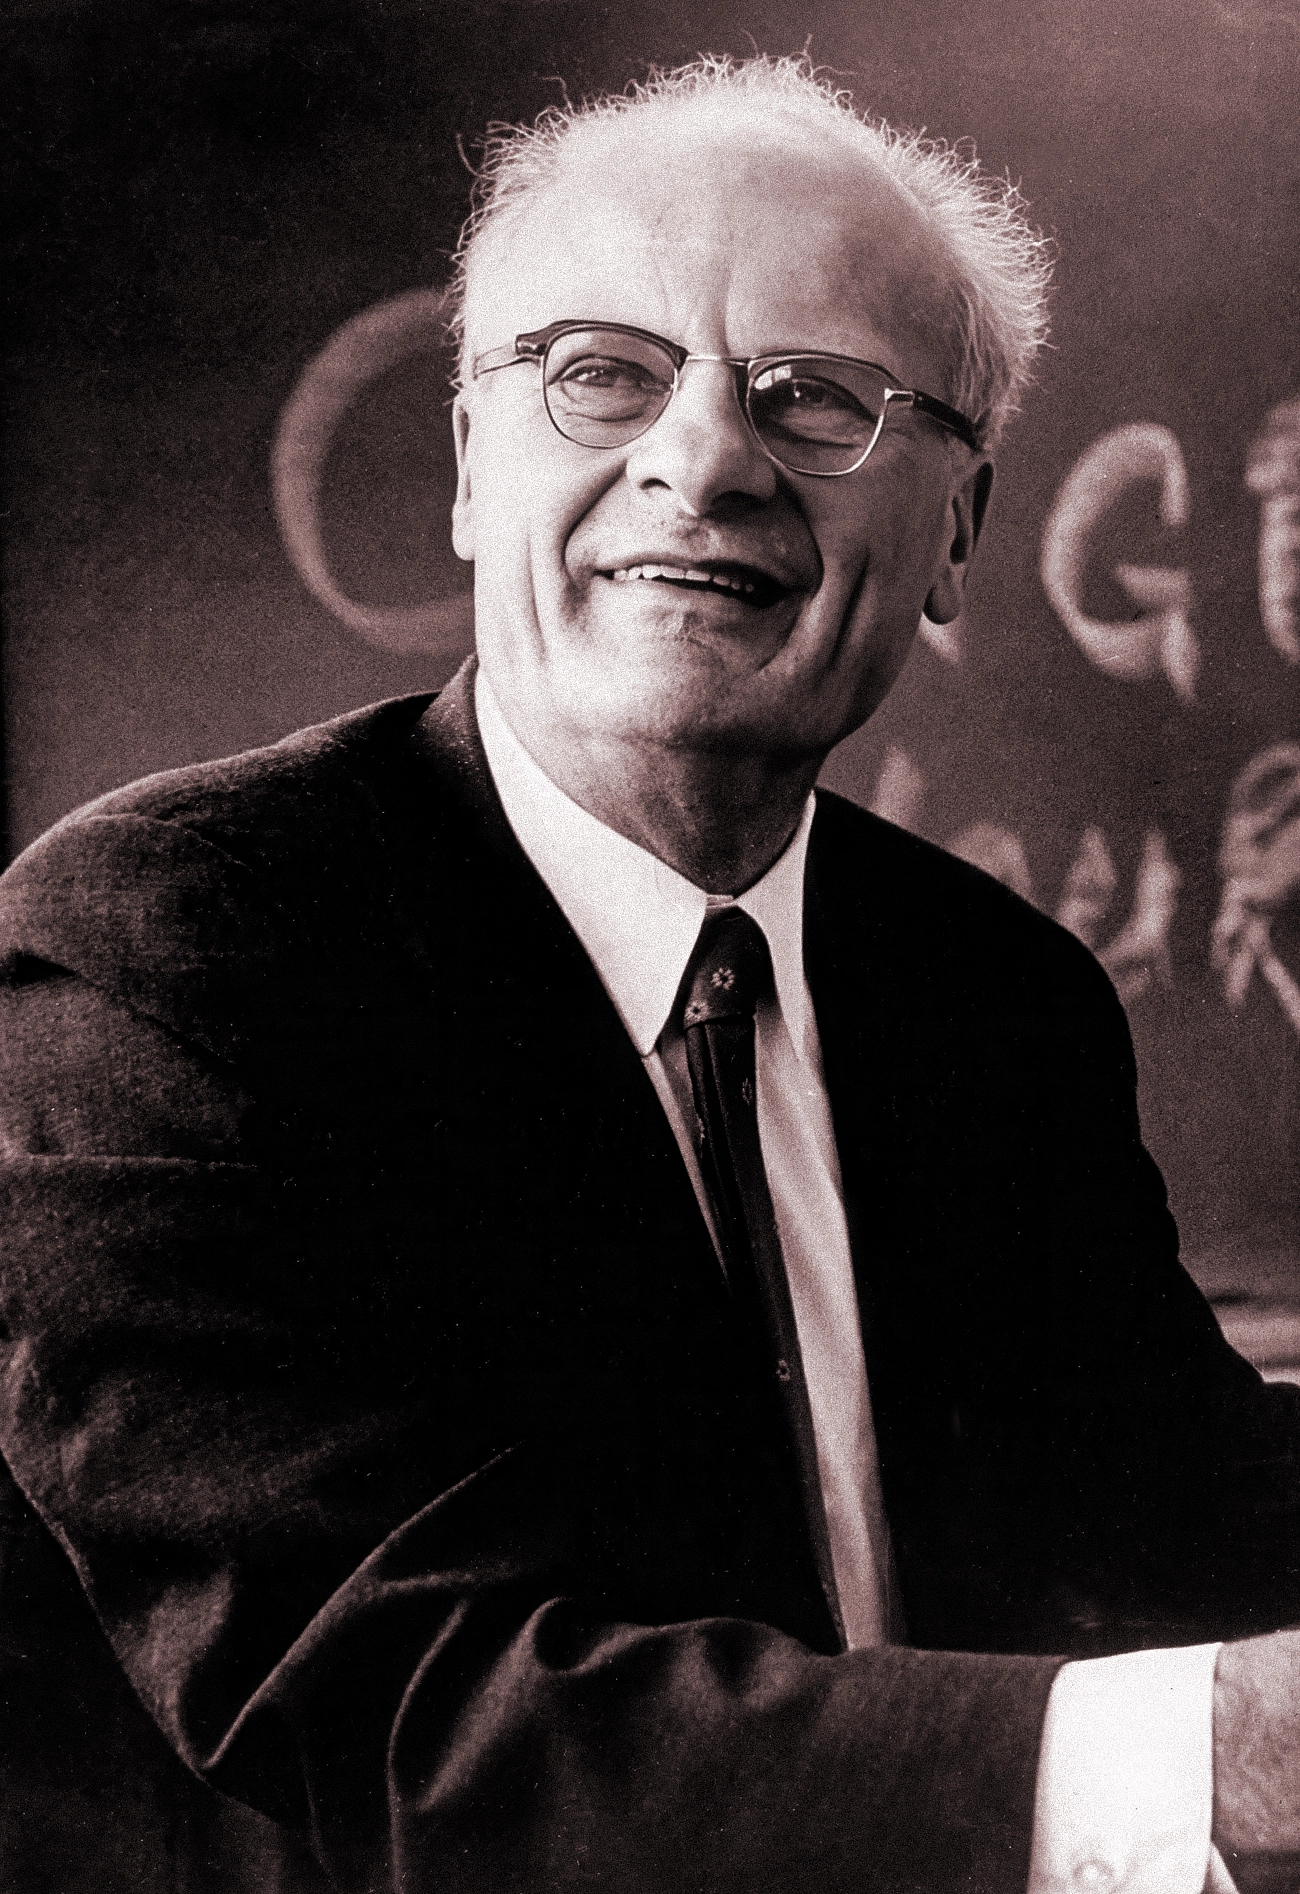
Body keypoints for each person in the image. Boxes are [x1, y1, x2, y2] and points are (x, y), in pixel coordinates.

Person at [0, 52, 1298, 1894]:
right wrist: (1225, 1747)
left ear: (955, 536)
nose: (702, 461)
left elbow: (1201, 1523)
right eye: (603, 374)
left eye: (817, 399)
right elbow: (418, 1719)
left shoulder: (996, 996)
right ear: (468, 466)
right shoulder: (160, 957)